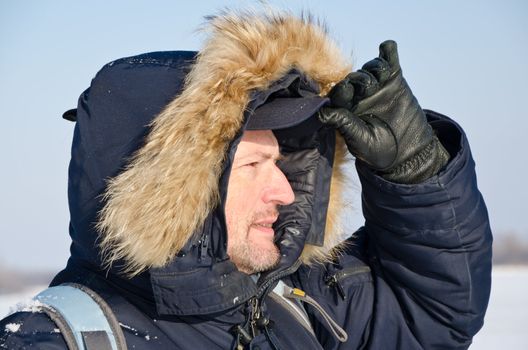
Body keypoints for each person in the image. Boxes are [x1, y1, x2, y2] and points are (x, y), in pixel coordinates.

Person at [0, 11, 492, 350]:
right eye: (252, 165)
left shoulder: (297, 304)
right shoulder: (47, 340)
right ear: (167, 189)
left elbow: (430, 314)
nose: (283, 192)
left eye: (281, 163)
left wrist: (416, 175)